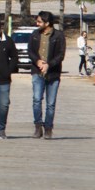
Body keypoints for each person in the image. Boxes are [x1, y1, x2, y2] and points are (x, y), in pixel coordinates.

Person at [27, 11, 66, 139]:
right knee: (37, 100)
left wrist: (49, 64)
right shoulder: (35, 34)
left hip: (53, 74)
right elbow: (30, 51)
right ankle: (38, 126)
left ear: (47, 23)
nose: (37, 24)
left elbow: (60, 55)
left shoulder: (59, 35)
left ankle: (48, 127)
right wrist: (37, 61)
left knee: (51, 103)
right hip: (37, 72)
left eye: (39, 22)